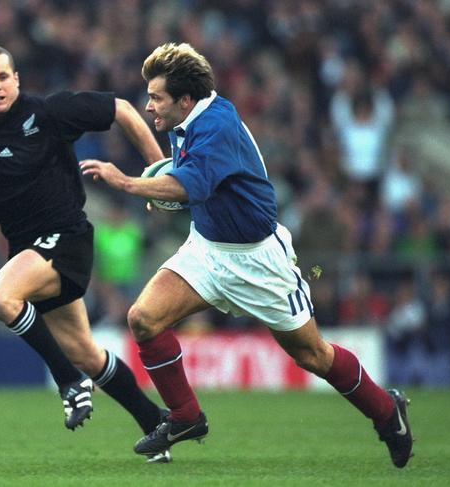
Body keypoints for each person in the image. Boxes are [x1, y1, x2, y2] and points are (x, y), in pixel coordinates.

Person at [79, 43, 414, 468]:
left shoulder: (217, 124)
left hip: (258, 261)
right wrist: (157, 186)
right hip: (207, 248)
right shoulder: (185, 116)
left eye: (156, 98)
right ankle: (186, 417)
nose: (149, 107)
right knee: (143, 319)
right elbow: (182, 178)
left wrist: (129, 184)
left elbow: (188, 187)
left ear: (185, 100)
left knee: (312, 355)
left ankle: (388, 414)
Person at [0, 45, 170, 452]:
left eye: (2, 77)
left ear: (16, 78)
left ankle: (69, 383)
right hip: (28, 251)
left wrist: (156, 173)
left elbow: (124, 110)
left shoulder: (50, 112)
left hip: (67, 237)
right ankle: (157, 422)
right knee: (85, 352)